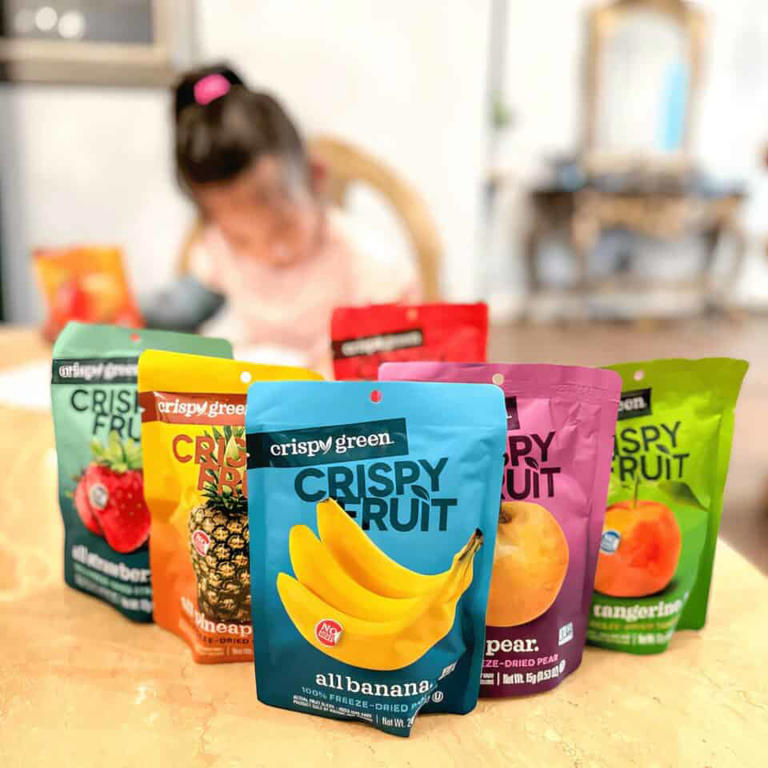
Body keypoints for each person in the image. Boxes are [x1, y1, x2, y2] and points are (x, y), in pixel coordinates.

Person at [144, 64, 420, 374]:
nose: (271, 251)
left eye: (283, 228)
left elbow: (395, 354)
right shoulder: (216, 249)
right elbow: (176, 309)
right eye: (241, 239)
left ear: (316, 179)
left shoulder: (366, 262)